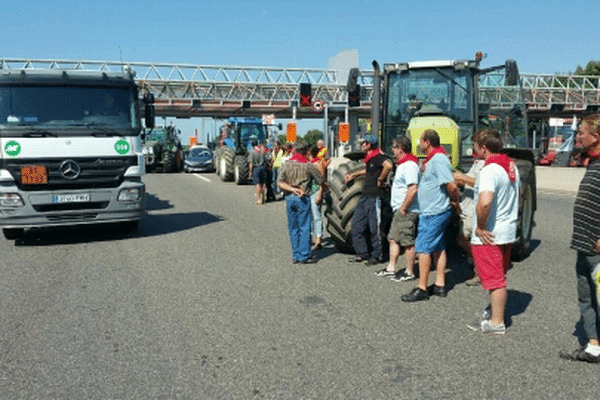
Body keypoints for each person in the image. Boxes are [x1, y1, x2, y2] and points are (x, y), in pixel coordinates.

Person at [466, 129, 519, 334]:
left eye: (476, 146)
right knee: (499, 274)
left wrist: (479, 226)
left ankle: (497, 323)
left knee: (494, 279)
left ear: (484, 148)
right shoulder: (510, 166)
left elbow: (485, 202)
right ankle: (494, 312)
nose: (474, 149)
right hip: (507, 230)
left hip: (490, 232)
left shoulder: (489, 170)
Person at [402, 129, 460, 302]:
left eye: (420, 141)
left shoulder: (439, 160)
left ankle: (422, 288)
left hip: (434, 212)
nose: (419, 144)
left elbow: (452, 186)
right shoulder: (434, 159)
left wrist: (455, 202)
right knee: (438, 247)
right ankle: (440, 285)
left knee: (423, 248)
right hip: (433, 210)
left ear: (427, 142)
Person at [560, 113, 600, 361]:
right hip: (584, 244)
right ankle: (594, 346)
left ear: (595, 137)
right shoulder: (593, 163)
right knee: (586, 296)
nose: (578, 136)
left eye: (582, 132)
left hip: (597, 247)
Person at [344, 134, 394, 266]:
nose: (362, 145)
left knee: (374, 228)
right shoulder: (370, 159)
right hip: (365, 196)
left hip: (375, 196)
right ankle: (362, 253)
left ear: (369, 145)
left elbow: (388, 166)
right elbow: (367, 171)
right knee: (356, 226)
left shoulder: (379, 157)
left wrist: (381, 179)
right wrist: (353, 174)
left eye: (364, 143)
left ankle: (377, 255)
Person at [376, 136, 420, 281]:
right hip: (399, 209)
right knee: (393, 238)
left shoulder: (410, 166)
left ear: (400, 148)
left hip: (406, 210)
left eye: (394, 148)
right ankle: (391, 268)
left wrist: (403, 207)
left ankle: (409, 272)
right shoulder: (402, 165)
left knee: (407, 242)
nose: (393, 151)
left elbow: (413, 188)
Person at [277, 141, 325, 264]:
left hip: (289, 197)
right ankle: (304, 255)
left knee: (293, 227)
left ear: (293, 150)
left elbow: (279, 182)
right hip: (303, 197)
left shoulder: (286, 164)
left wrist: (292, 189)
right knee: (304, 227)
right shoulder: (308, 166)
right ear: (306, 152)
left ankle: (296, 254)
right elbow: (320, 180)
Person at [453, 154, 486, 286]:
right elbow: (470, 180)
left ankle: (479, 269)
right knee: (464, 239)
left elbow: (482, 184)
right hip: (466, 205)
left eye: (475, 145)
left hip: (474, 207)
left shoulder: (489, 165)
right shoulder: (477, 162)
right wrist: (460, 180)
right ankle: (473, 266)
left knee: (464, 239)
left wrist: (462, 177)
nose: (473, 148)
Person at [308, 145, 326, 250]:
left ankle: (319, 239)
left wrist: (320, 192)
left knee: (316, 216)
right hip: (309, 191)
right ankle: (310, 237)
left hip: (316, 191)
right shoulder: (309, 164)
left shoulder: (318, 163)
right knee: (309, 216)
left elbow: (322, 179)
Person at [248, 139, 267, 204]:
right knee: (262, 183)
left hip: (256, 168)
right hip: (263, 167)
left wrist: (250, 171)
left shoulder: (252, 152)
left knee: (257, 184)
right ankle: (263, 197)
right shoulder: (262, 150)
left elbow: (251, 163)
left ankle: (259, 199)